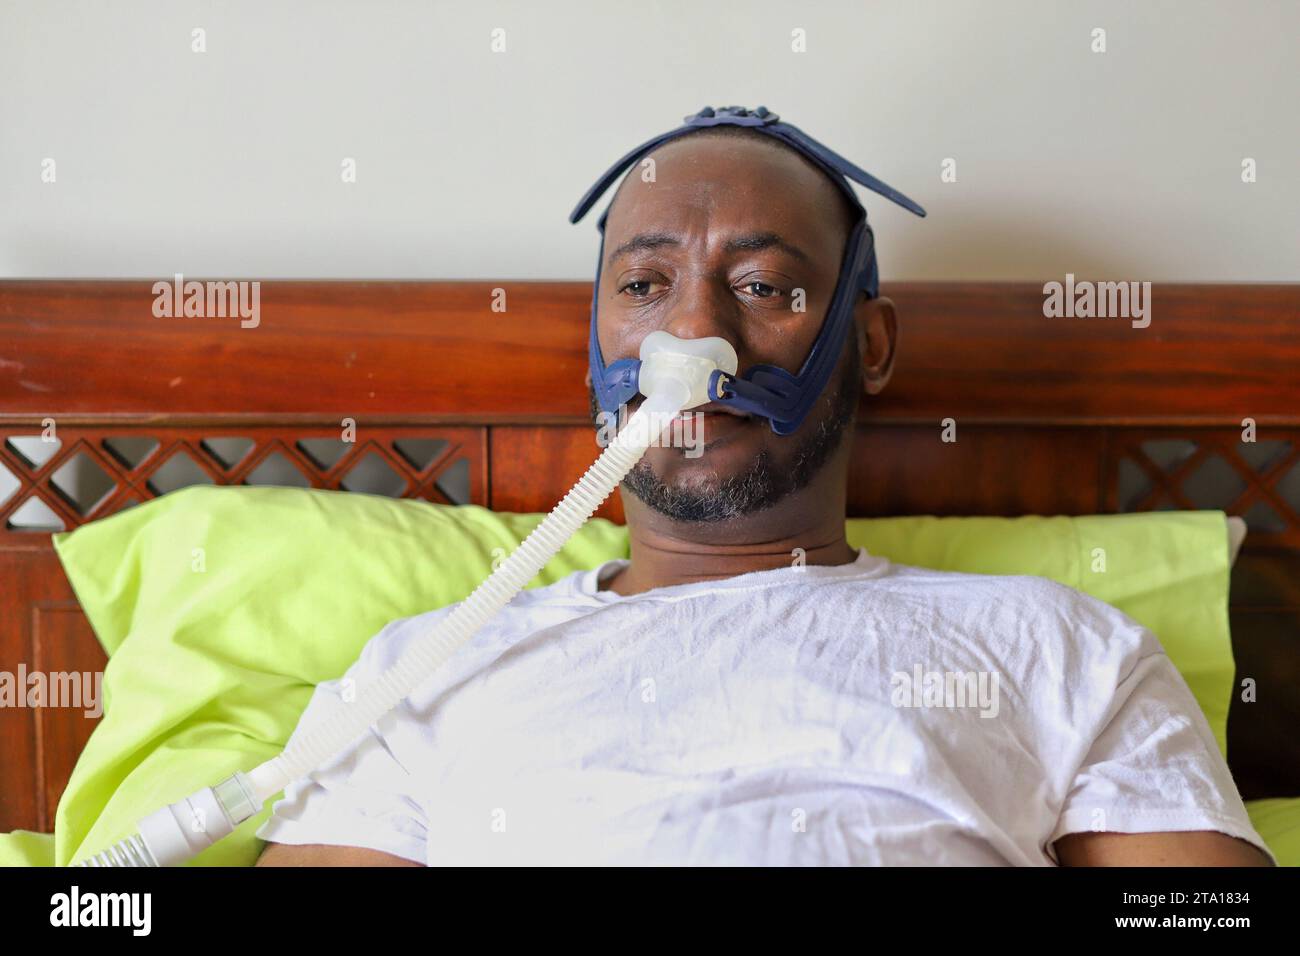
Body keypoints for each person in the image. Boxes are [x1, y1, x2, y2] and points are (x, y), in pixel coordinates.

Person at [256, 110, 1273, 867]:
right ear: (596, 347)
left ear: (866, 346)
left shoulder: (1057, 650)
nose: (693, 337)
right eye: (644, 285)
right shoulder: (421, 670)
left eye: (762, 286)